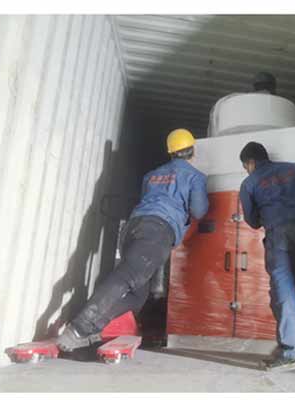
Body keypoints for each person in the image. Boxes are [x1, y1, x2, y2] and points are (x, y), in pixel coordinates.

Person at [56, 129, 209, 351]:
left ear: (171, 152)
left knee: (138, 295)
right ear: (193, 150)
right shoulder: (195, 176)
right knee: (129, 275)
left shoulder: (152, 175)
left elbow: (146, 200)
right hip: (158, 231)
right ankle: (79, 328)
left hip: (133, 228)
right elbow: (199, 210)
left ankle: (95, 327)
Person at [237, 141, 295, 372]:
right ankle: (291, 346)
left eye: (245, 167)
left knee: (283, 293)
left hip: (281, 236)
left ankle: (293, 352)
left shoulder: (249, 183)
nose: (246, 171)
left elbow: (252, 221)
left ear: (250, 163)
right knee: (285, 293)